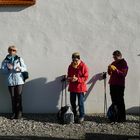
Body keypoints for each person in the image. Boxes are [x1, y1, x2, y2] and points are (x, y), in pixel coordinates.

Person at [1, 46, 27, 119]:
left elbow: (25, 68)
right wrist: (8, 69)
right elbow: (2, 71)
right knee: (12, 97)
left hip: (19, 81)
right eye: (10, 50)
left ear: (16, 51)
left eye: (14, 50)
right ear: (8, 51)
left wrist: (19, 68)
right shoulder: (5, 60)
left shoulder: (19, 59)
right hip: (10, 81)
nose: (12, 51)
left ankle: (19, 113)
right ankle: (14, 112)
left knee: (18, 97)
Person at [67, 52, 88, 123]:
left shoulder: (83, 66)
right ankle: (74, 114)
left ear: (79, 59)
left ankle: (82, 116)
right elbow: (68, 75)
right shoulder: (70, 66)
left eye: (76, 60)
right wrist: (70, 78)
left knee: (80, 103)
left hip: (80, 88)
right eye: (73, 60)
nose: (74, 61)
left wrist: (78, 79)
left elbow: (86, 77)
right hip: (72, 87)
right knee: (72, 102)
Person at [108, 50, 128, 122]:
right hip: (112, 83)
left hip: (119, 85)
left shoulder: (124, 63)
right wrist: (109, 69)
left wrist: (116, 70)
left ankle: (122, 118)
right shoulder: (113, 63)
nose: (114, 59)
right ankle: (115, 116)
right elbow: (110, 74)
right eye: (113, 57)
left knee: (120, 101)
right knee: (114, 101)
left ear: (120, 56)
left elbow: (123, 75)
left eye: (115, 57)